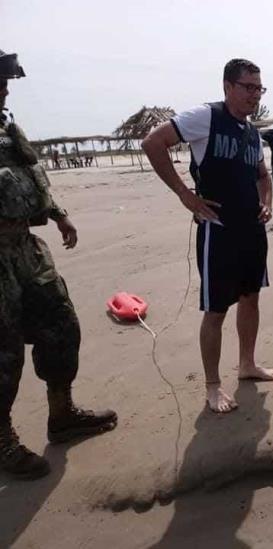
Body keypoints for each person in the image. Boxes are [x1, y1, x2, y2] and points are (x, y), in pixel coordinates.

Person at [0, 49, 117, 480]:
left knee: (61, 327)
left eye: (5, 83)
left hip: (25, 250)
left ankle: (62, 414)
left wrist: (58, 213)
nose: (4, 89)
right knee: (3, 352)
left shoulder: (7, 128)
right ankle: (3, 442)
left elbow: (32, 177)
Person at [142, 58, 273, 414]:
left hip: (251, 231)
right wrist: (184, 194)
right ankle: (213, 386)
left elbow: (262, 176)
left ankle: (247, 365)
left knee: (251, 298)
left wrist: (265, 203)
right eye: (248, 87)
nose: (255, 95)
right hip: (218, 232)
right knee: (216, 310)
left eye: (259, 88)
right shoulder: (207, 117)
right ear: (227, 86)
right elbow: (153, 143)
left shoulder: (252, 132)